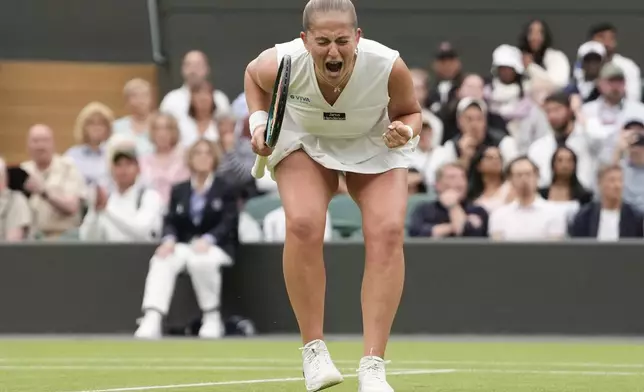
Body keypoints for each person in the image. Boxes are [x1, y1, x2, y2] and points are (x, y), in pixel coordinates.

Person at [244, 0, 421, 390]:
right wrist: (259, 124)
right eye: (322, 41)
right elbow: (252, 79)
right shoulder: (281, 62)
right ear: (305, 40)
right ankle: (313, 351)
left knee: (389, 232)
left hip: (375, 142)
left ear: (357, 37)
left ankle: (373, 367)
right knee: (304, 223)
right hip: (305, 140)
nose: (333, 51)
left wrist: (404, 131)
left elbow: (410, 112)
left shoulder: (387, 64)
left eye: (342, 40)